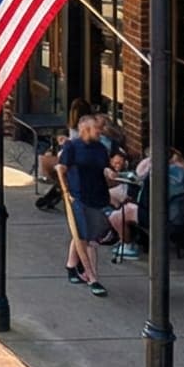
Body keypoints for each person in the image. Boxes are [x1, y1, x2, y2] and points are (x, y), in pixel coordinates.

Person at [57, 113, 115, 296]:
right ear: (85, 129)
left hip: (97, 196)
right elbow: (61, 168)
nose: (100, 131)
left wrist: (109, 172)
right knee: (87, 239)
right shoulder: (72, 147)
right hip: (78, 196)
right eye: (96, 128)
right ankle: (93, 278)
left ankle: (71, 266)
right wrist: (66, 192)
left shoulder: (100, 148)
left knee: (84, 234)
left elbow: (104, 166)